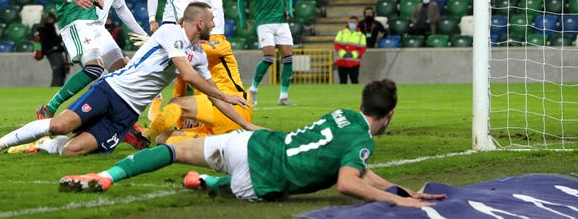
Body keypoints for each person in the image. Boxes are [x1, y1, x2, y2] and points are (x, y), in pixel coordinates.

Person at [58, 80, 448, 209]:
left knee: (174, 152)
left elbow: (355, 167)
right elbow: (348, 180)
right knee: (246, 189)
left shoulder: (344, 115)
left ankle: (107, 175)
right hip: (262, 181)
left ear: (363, 102)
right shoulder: (362, 141)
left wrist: (396, 187)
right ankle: (211, 184)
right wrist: (399, 201)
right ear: (390, 114)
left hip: (250, 144)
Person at [0, 3, 258, 157]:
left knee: (73, 151)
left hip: (128, 113)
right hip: (113, 89)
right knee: (61, 124)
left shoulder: (196, 52)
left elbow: (214, 93)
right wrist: (228, 95)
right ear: (198, 22)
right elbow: (191, 76)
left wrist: (247, 124)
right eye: (211, 20)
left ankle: (43, 145)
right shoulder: (172, 32)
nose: (215, 24)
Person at [144, 37, 254, 145]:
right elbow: (180, 90)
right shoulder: (187, 60)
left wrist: (163, 44)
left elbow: (197, 50)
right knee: (162, 138)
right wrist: (180, 125)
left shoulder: (221, 43)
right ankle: (213, 145)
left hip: (235, 105)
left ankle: (145, 136)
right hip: (215, 119)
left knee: (176, 102)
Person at [237, 0, 295, 106]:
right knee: (269, 57)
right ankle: (253, 90)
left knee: (288, 58)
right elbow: (241, 0)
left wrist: (289, 9)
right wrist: (243, 19)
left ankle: (283, 96)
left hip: (281, 22)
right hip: (264, 22)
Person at [34, 13, 69, 87]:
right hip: (52, 52)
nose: (50, 20)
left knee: (61, 70)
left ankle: (59, 87)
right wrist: (57, 42)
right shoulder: (44, 29)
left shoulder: (54, 27)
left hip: (58, 51)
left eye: (51, 19)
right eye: (49, 19)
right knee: (57, 70)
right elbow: (47, 43)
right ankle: (55, 87)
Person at [334, 16, 367, 85]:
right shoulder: (341, 33)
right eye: (351, 22)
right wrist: (343, 53)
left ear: (357, 23)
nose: (352, 24)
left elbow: (362, 49)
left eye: (354, 22)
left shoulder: (361, 35)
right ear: (348, 23)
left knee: (354, 82)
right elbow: (336, 45)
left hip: (354, 63)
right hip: (342, 62)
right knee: (342, 83)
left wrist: (353, 54)